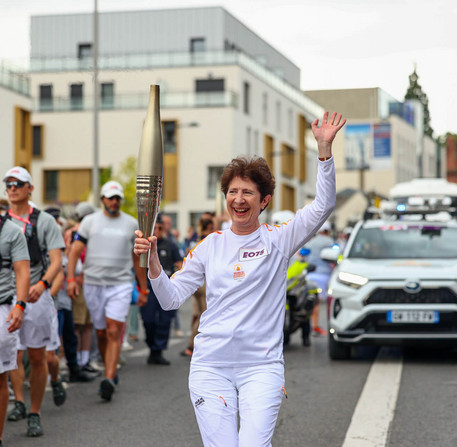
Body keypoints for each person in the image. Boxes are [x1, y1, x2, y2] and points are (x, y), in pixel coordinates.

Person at [134, 111, 345, 446]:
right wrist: (152, 265)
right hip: (210, 367)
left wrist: (324, 152)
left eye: (248, 192)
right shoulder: (210, 246)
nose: (239, 199)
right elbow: (170, 298)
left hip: (260, 368)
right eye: (233, 192)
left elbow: (323, 205)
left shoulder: (279, 240)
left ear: (264, 201)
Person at [67, 180, 148, 401]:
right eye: (110, 197)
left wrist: (143, 288)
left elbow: (137, 257)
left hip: (120, 284)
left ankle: (109, 378)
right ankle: (109, 369)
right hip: (94, 284)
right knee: (101, 333)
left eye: (117, 198)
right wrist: (71, 279)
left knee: (114, 331)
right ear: (102, 199)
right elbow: (74, 252)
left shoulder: (131, 224)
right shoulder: (90, 222)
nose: (114, 202)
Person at [4, 166, 64, 437]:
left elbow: (56, 260)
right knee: (12, 356)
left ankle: (35, 412)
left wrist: (42, 285)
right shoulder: (4, 222)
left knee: (38, 356)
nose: (13, 187)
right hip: (8, 299)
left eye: (19, 183)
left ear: (30, 188)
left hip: (35, 296)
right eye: (9, 183)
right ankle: (18, 400)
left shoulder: (44, 221)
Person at [0, 213, 30, 447]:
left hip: (3, 307)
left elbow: (21, 271)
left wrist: (20, 305)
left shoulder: (10, 231)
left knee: (0, 376)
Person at [140, 214, 183, 365]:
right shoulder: (144, 245)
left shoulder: (170, 244)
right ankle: (152, 346)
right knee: (148, 320)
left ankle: (158, 350)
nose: (157, 230)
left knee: (165, 321)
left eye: (160, 228)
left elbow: (179, 264)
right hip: (149, 289)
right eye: (155, 228)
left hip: (167, 288)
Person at [180, 216, 215, 358]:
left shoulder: (194, 240)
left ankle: (194, 343)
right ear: (210, 227)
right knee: (205, 316)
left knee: (197, 315)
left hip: (194, 282)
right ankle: (192, 344)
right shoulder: (210, 240)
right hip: (205, 282)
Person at [304, 220, 335, 336]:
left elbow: (302, 254)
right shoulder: (330, 241)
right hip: (326, 275)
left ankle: (314, 326)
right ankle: (331, 327)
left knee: (314, 302)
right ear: (327, 231)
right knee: (329, 303)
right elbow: (338, 256)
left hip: (311, 274)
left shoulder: (311, 242)